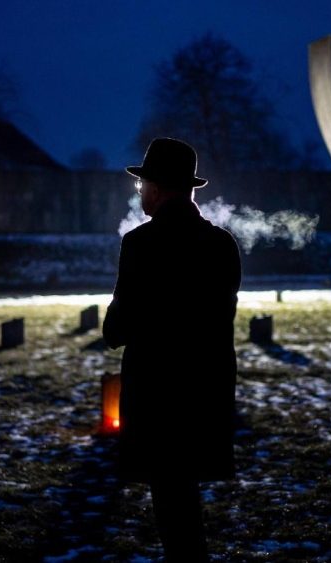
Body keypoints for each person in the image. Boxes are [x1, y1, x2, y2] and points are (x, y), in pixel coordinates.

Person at [103, 137, 241, 561]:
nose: (140, 191)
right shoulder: (222, 245)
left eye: (143, 184)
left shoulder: (141, 244)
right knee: (185, 507)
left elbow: (116, 329)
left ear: (158, 188)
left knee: (173, 513)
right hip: (205, 395)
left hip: (158, 399)